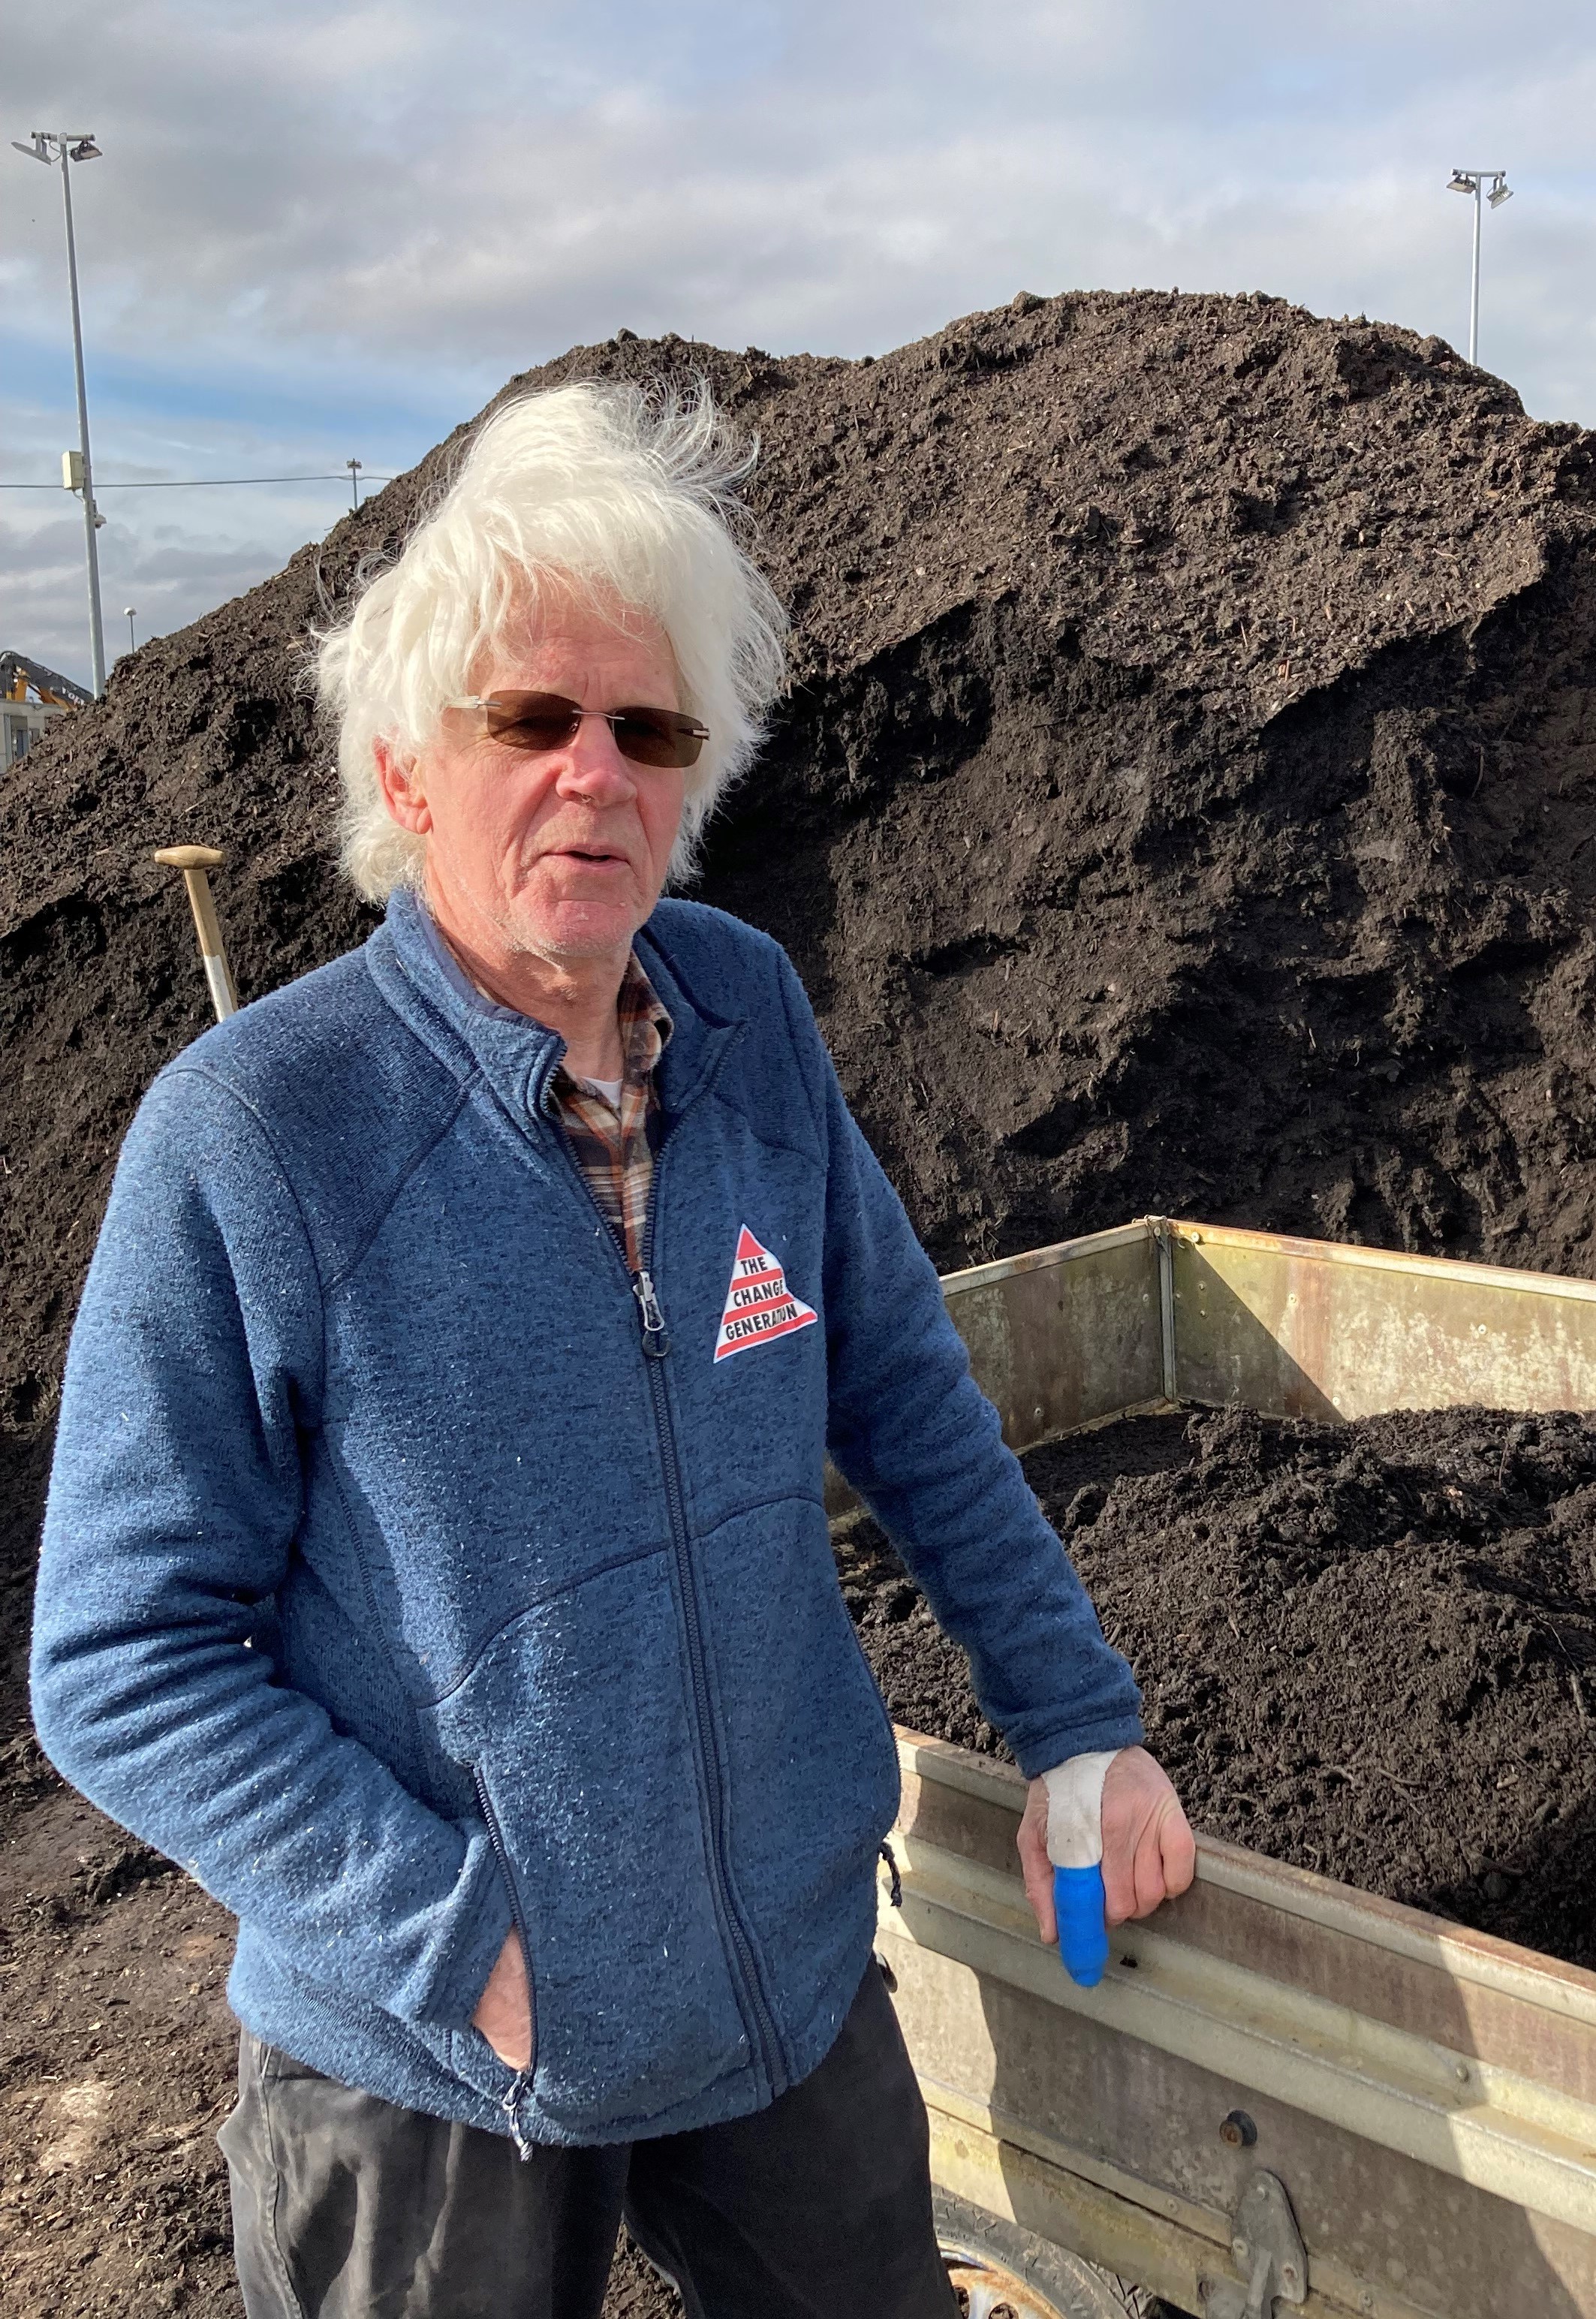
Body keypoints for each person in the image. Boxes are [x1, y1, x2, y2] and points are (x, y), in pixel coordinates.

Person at [32, 381, 1194, 2319]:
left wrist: (1076, 1717)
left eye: (648, 729)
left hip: (776, 1999)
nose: (597, 773)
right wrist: (450, 1935)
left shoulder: (744, 1015)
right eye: (531, 719)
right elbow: (115, 1659)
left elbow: (906, 1390)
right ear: (408, 770)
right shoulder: (256, 1136)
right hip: (437, 2071)